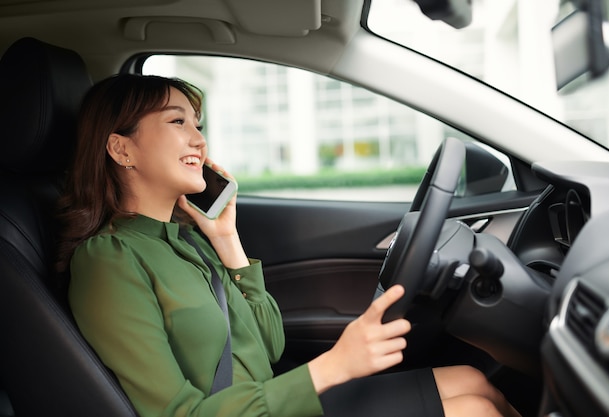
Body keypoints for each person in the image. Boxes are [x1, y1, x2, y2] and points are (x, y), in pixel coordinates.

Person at [57, 73, 521, 417]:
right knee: (474, 411)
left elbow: (269, 345)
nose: (199, 139)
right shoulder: (108, 259)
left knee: (472, 381)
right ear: (121, 150)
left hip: (272, 402)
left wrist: (226, 239)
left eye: (198, 125)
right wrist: (335, 365)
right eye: (178, 121)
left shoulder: (186, 239)